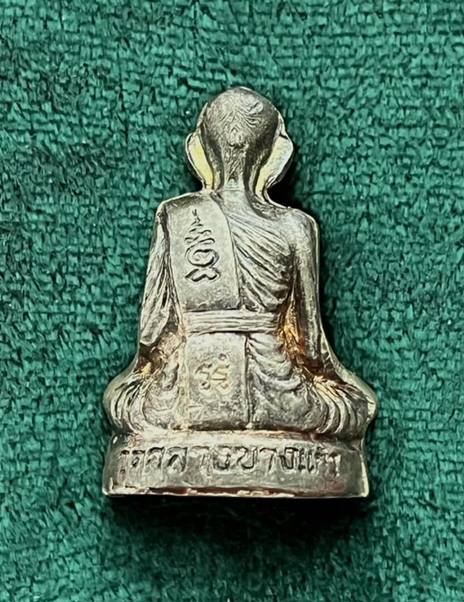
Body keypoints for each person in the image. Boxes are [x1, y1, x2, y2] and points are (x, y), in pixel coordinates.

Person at [104, 87, 377, 440]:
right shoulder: (296, 226)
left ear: (200, 151)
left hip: (184, 394)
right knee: (349, 409)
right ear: (274, 155)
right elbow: (309, 344)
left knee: (122, 404)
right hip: (276, 391)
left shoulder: (175, 215)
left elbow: (152, 334)